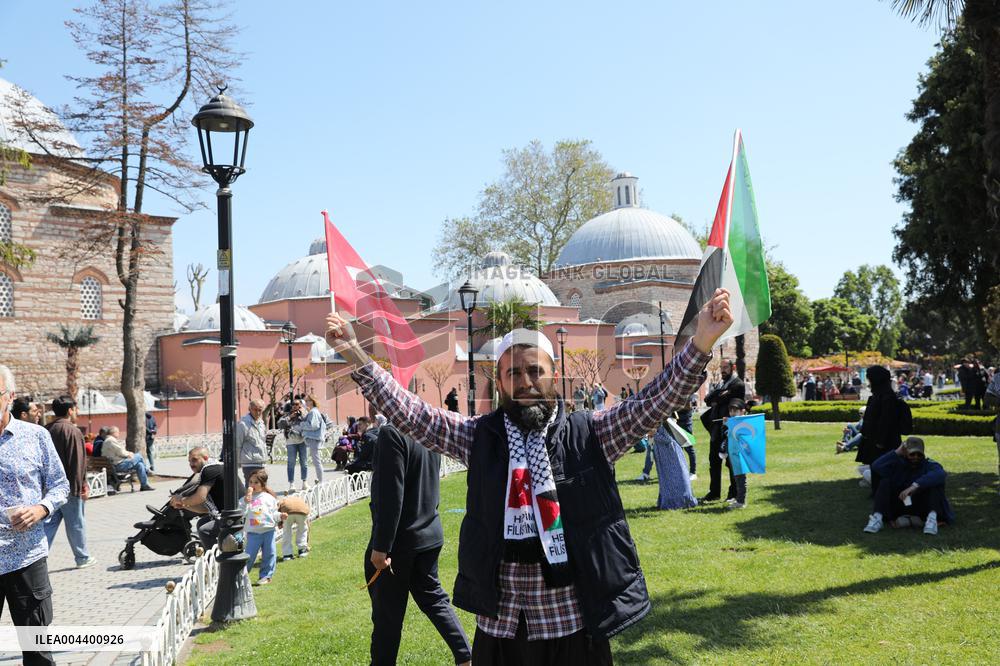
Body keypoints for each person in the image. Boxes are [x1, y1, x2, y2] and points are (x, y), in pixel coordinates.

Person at [326, 288, 732, 663]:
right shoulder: (478, 438)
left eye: (535, 371)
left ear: (553, 375)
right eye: (513, 374)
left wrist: (702, 343)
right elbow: (413, 415)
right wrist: (356, 357)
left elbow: (654, 402)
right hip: (501, 625)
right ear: (499, 382)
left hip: (572, 623)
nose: (525, 382)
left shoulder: (590, 434)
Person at [366, 424, 472, 666]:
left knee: (387, 617)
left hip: (400, 541)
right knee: (434, 599)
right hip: (429, 531)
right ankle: (466, 656)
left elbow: (390, 493)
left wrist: (381, 546)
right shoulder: (425, 429)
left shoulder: (391, 433)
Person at [0, 364, 69, 666]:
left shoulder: (36, 436)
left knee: (38, 650)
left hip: (25, 556)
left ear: (10, 396)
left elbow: (59, 484)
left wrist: (41, 508)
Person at [43, 396, 96, 569]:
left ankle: (39, 557)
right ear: (70, 410)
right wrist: (82, 485)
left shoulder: (45, 430)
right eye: (76, 408)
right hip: (69, 488)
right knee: (76, 523)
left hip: (48, 487)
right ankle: (82, 557)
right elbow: (78, 462)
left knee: (48, 524)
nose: (77, 412)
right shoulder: (72, 431)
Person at [863, 437, 954, 535]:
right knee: (885, 481)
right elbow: (876, 466)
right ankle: (877, 517)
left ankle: (931, 519)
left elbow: (940, 474)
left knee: (935, 484)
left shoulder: (929, 464)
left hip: (921, 505)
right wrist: (896, 452)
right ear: (905, 453)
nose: (915, 457)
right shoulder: (897, 464)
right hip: (899, 504)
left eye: (919, 454)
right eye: (912, 454)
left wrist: (915, 486)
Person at [169, 446, 245, 549]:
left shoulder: (209, 469)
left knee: (204, 530)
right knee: (202, 523)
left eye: (194, 460)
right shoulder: (214, 467)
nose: (191, 464)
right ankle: (218, 551)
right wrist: (183, 505)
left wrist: (180, 499)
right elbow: (205, 508)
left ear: (205, 458)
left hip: (237, 513)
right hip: (232, 510)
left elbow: (200, 497)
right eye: (189, 461)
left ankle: (217, 559)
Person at [855, 366, 912, 492]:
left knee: (884, 466)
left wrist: (881, 441)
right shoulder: (879, 395)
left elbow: (886, 421)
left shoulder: (887, 397)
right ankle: (877, 491)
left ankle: (884, 492)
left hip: (884, 440)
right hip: (876, 438)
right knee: (874, 466)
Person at [700, 359, 745, 502]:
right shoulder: (721, 384)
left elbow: (722, 400)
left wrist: (718, 397)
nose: (723, 370)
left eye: (725, 367)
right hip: (716, 428)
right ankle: (714, 493)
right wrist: (719, 394)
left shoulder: (738, 384)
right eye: (721, 367)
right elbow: (708, 399)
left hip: (730, 430)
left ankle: (734, 493)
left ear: (733, 367)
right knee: (713, 461)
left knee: (731, 462)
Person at [240, 469, 283, 585]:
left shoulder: (269, 498)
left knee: (270, 553)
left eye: (256, 483)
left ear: (263, 484)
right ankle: (242, 576)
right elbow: (241, 512)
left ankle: (265, 576)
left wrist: (280, 516)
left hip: (268, 530)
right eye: (250, 482)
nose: (252, 485)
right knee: (249, 555)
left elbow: (273, 514)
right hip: (253, 532)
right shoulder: (245, 499)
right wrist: (245, 502)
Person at [651, 422, 698, 510]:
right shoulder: (658, 422)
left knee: (676, 477)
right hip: (663, 454)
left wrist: (654, 434)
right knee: (666, 478)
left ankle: (682, 500)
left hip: (671, 454)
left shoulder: (664, 422)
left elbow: (668, 439)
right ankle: (669, 500)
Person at [100, 426, 155, 491]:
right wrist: (129, 454)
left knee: (140, 465)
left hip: (114, 464)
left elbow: (118, 452)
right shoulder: (111, 440)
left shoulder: (107, 440)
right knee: (138, 456)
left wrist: (129, 454)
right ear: (114, 433)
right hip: (118, 465)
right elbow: (121, 452)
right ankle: (147, 471)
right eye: (118, 432)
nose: (119, 434)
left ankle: (144, 485)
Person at [719, 398, 749, 509]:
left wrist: (729, 425)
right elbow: (727, 436)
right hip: (732, 455)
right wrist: (726, 426)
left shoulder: (744, 423)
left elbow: (740, 435)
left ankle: (741, 502)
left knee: (741, 478)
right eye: (731, 411)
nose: (732, 413)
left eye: (735, 410)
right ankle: (739, 498)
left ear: (742, 411)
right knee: (736, 477)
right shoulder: (732, 423)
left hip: (740, 455)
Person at [235, 399, 268, 487]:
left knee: (262, 487)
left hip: (261, 461)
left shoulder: (261, 423)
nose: (257, 412)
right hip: (249, 462)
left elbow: (262, 442)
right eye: (255, 409)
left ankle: (258, 501)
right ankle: (249, 501)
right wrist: (238, 462)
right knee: (251, 488)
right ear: (249, 409)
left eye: (260, 410)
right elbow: (238, 444)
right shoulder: (243, 424)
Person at [280, 398, 309, 489]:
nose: (296, 406)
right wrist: (290, 416)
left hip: (302, 441)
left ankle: (304, 482)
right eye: (294, 404)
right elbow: (280, 424)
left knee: (304, 462)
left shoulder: (304, 414)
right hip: (291, 442)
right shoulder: (287, 415)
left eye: (298, 404)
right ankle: (291, 483)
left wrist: (303, 413)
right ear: (291, 406)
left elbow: (309, 422)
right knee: (291, 463)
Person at [297, 395, 327, 485]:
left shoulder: (313, 412)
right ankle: (320, 480)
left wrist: (302, 424)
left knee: (317, 461)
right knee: (316, 461)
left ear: (312, 401)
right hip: (315, 439)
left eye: (307, 400)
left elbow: (314, 425)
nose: (305, 402)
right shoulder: (314, 411)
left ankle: (321, 481)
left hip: (314, 439)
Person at [278, 492, 310, 561]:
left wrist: (280, 523)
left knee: (286, 532)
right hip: (302, 511)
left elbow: (279, 512)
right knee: (302, 530)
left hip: (287, 512)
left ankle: (287, 554)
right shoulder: (300, 500)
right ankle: (302, 550)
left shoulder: (283, 501)